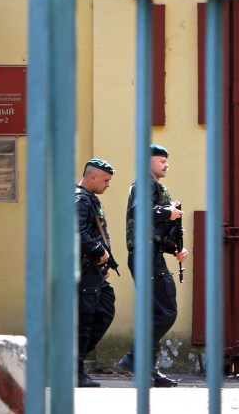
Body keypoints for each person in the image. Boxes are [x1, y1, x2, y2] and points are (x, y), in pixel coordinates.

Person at [116, 144, 188, 388]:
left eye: (167, 161)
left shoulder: (154, 186)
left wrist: (175, 248)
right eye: (161, 161)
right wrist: (167, 212)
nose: (166, 164)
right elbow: (141, 212)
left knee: (155, 313)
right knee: (166, 311)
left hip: (150, 254)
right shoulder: (144, 184)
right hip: (145, 256)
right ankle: (135, 358)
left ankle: (149, 370)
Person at [75, 159, 118, 388]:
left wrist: (104, 265)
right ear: (92, 177)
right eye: (106, 180)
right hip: (84, 272)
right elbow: (76, 231)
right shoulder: (80, 199)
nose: (108, 184)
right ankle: (74, 369)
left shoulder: (89, 199)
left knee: (104, 309)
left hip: (93, 271)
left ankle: (69, 360)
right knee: (84, 320)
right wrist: (98, 250)